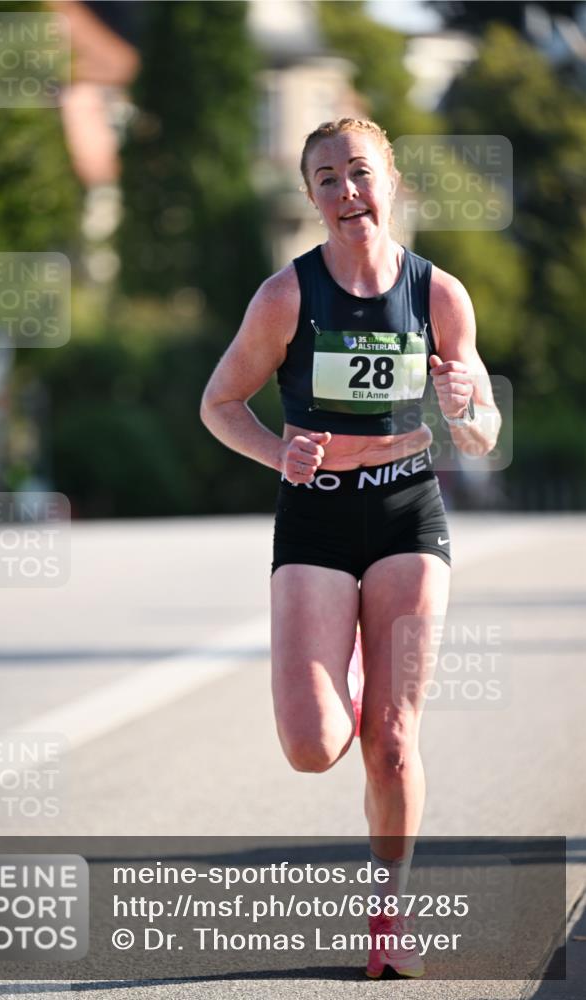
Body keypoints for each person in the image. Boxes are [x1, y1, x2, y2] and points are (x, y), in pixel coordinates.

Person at [200, 118, 501, 978]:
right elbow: (219, 403)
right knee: (311, 745)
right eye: (326, 178)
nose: (346, 191)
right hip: (316, 518)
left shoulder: (438, 294)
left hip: (407, 513)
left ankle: (388, 920)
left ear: (390, 182)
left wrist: (464, 409)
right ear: (310, 197)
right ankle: (354, 683)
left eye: (359, 173)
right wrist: (278, 452)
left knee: (393, 741)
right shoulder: (284, 297)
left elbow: (482, 434)